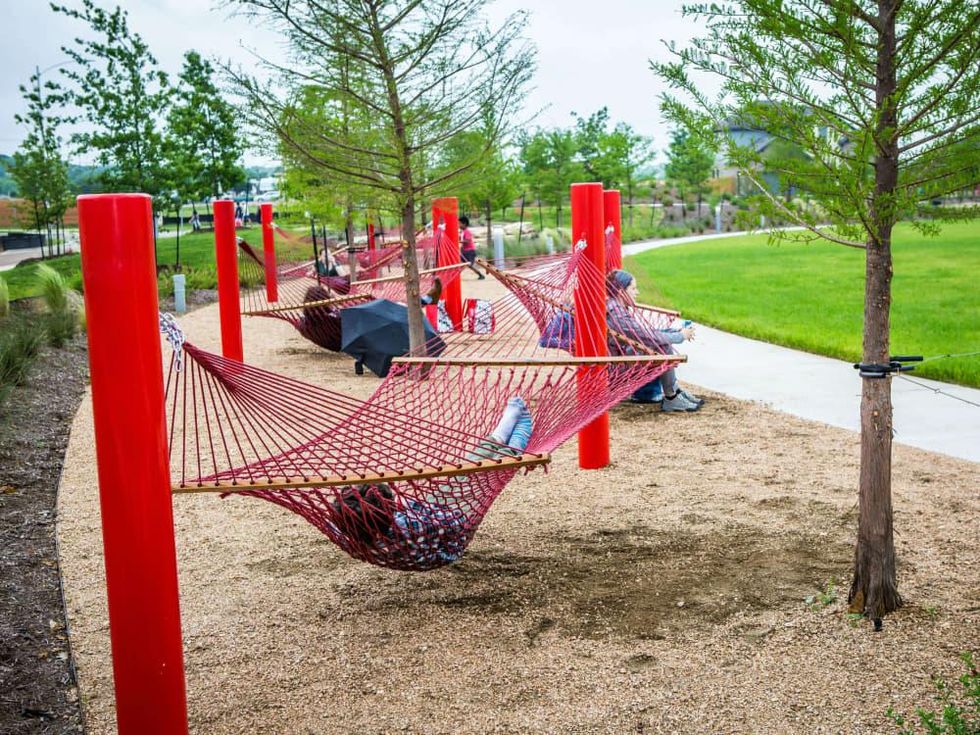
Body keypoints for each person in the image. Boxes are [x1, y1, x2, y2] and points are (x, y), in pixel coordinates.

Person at [329, 396, 533, 566]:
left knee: (468, 471)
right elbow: (455, 523)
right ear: (391, 510)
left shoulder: (347, 535)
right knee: (488, 472)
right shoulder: (409, 527)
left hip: (431, 517)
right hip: (451, 532)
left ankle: (502, 430)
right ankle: (519, 424)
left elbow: (333, 522)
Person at [606, 269, 704, 412]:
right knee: (661, 347)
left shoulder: (616, 308)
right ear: (621, 291)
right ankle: (671, 397)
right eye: (633, 288)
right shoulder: (617, 316)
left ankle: (675, 393)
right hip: (617, 372)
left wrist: (675, 332)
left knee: (660, 343)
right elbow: (649, 337)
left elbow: (645, 334)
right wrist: (680, 336)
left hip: (620, 362)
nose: (637, 292)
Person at [458, 215, 485, 279]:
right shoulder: (463, 232)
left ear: (464, 224)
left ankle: (480, 274)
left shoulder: (467, 232)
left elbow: (467, 241)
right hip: (465, 251)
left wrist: (459, 241)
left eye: (460, 224)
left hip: (469, 251)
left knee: (468, 264)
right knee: (463, 263)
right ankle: (457, 274)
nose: (458, 225)